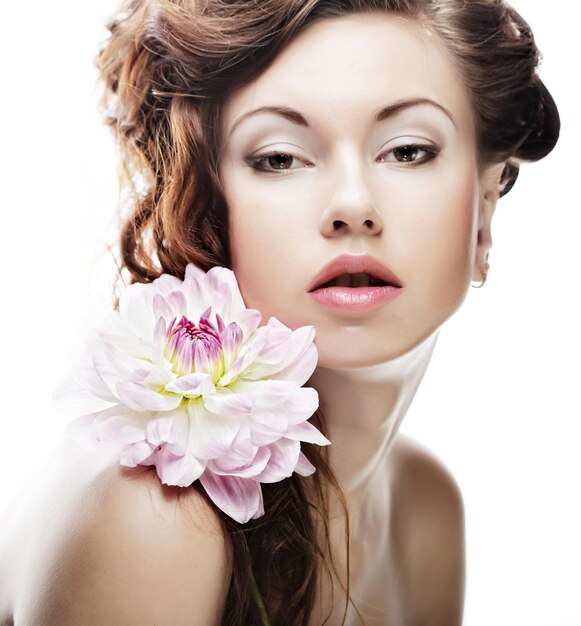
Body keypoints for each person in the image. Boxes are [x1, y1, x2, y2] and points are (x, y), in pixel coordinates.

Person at [0, 0, 559, 624]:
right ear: (209, 207)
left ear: (484, 217)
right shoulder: (154, 518)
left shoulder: (426, 506)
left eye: (406, 150)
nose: (352, 205)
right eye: (279, 157)